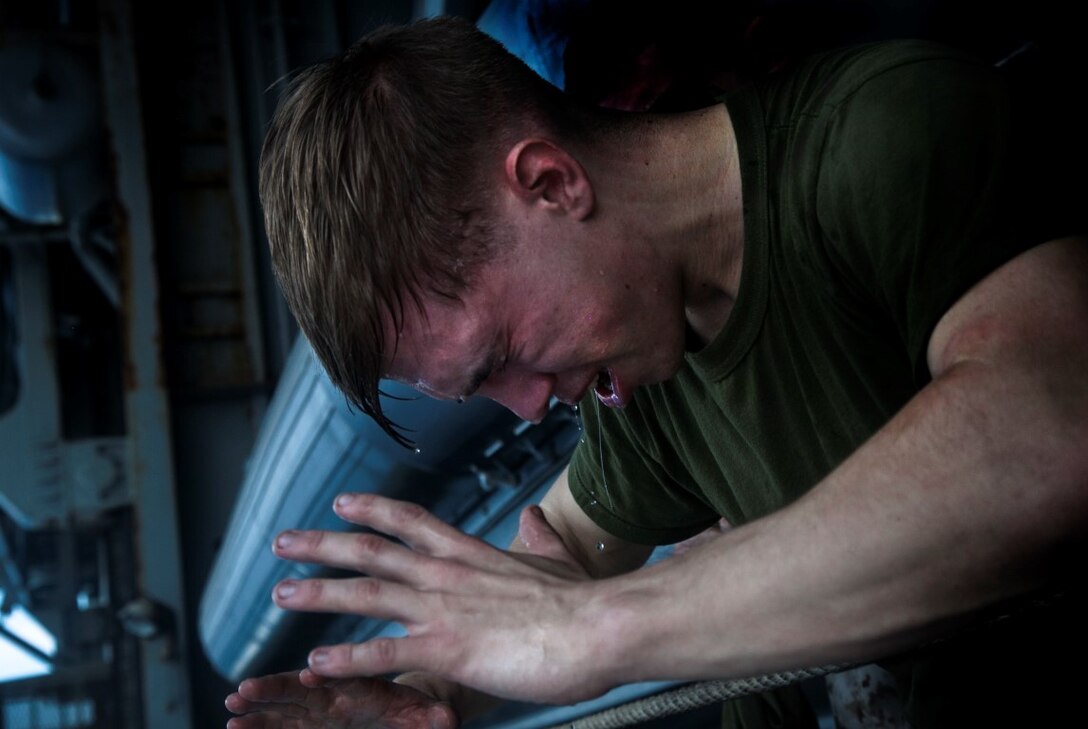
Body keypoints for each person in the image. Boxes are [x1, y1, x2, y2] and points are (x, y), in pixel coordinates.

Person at [225, 14, 1088, 729]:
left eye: (501, 357)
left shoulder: (884, 132)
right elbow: (562, 561)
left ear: (552, 182)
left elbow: (1048, 434)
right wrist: (424, 694)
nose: (526, 408)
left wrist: (598, 630)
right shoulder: (644, 382)